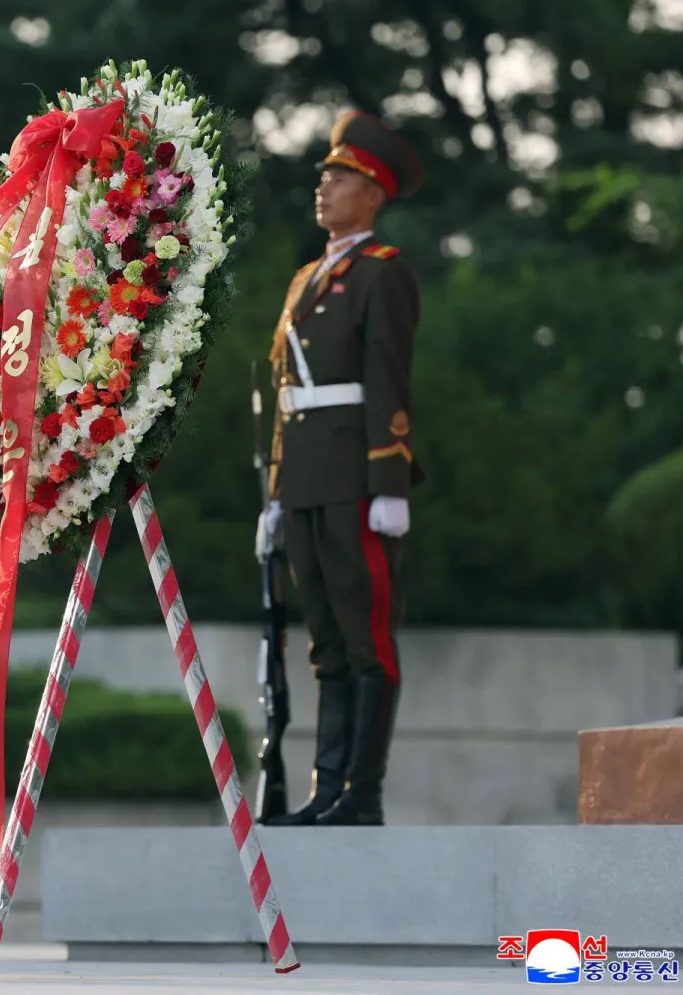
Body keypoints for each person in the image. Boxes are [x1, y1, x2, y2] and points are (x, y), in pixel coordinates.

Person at [256, 112, 424, 828]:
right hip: (305, 481)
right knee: (324, 637)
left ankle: (362, 791)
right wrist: (274, 495)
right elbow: (286, 394)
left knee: (367, 635)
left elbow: (388, 377)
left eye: (340, 177)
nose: (323, 186)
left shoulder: (382, 273)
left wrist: (389, 482)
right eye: (324, 175)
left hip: (357, 475)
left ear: (374, 195)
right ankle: (327, 788)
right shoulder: (305, 278)